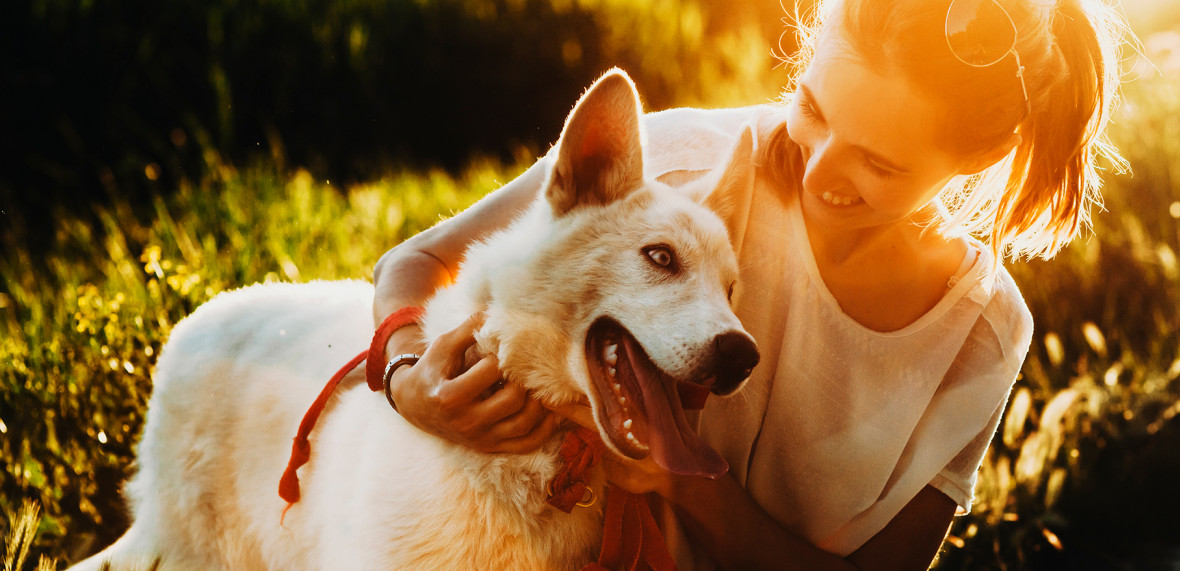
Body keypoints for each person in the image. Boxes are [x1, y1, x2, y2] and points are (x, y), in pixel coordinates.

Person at [367, 0, 1130, 568]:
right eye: (813, 110)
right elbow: (420, 259)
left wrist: (688, 482)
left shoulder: (981, 334)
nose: (823, 170)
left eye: (880, 163)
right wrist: (407, 377)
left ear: (968, 164)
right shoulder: (677, 165)